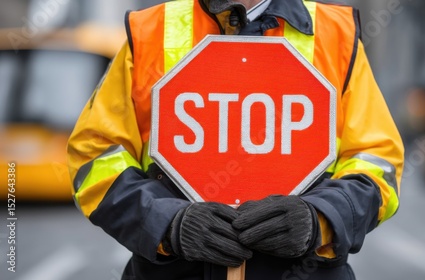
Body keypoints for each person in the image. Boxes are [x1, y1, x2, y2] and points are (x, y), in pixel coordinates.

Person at [67, 0, 404, 279]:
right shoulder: (148, 33)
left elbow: (378, 163)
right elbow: (94, 156)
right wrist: (168, 223)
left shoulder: (337, 36)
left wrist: (320, 220)